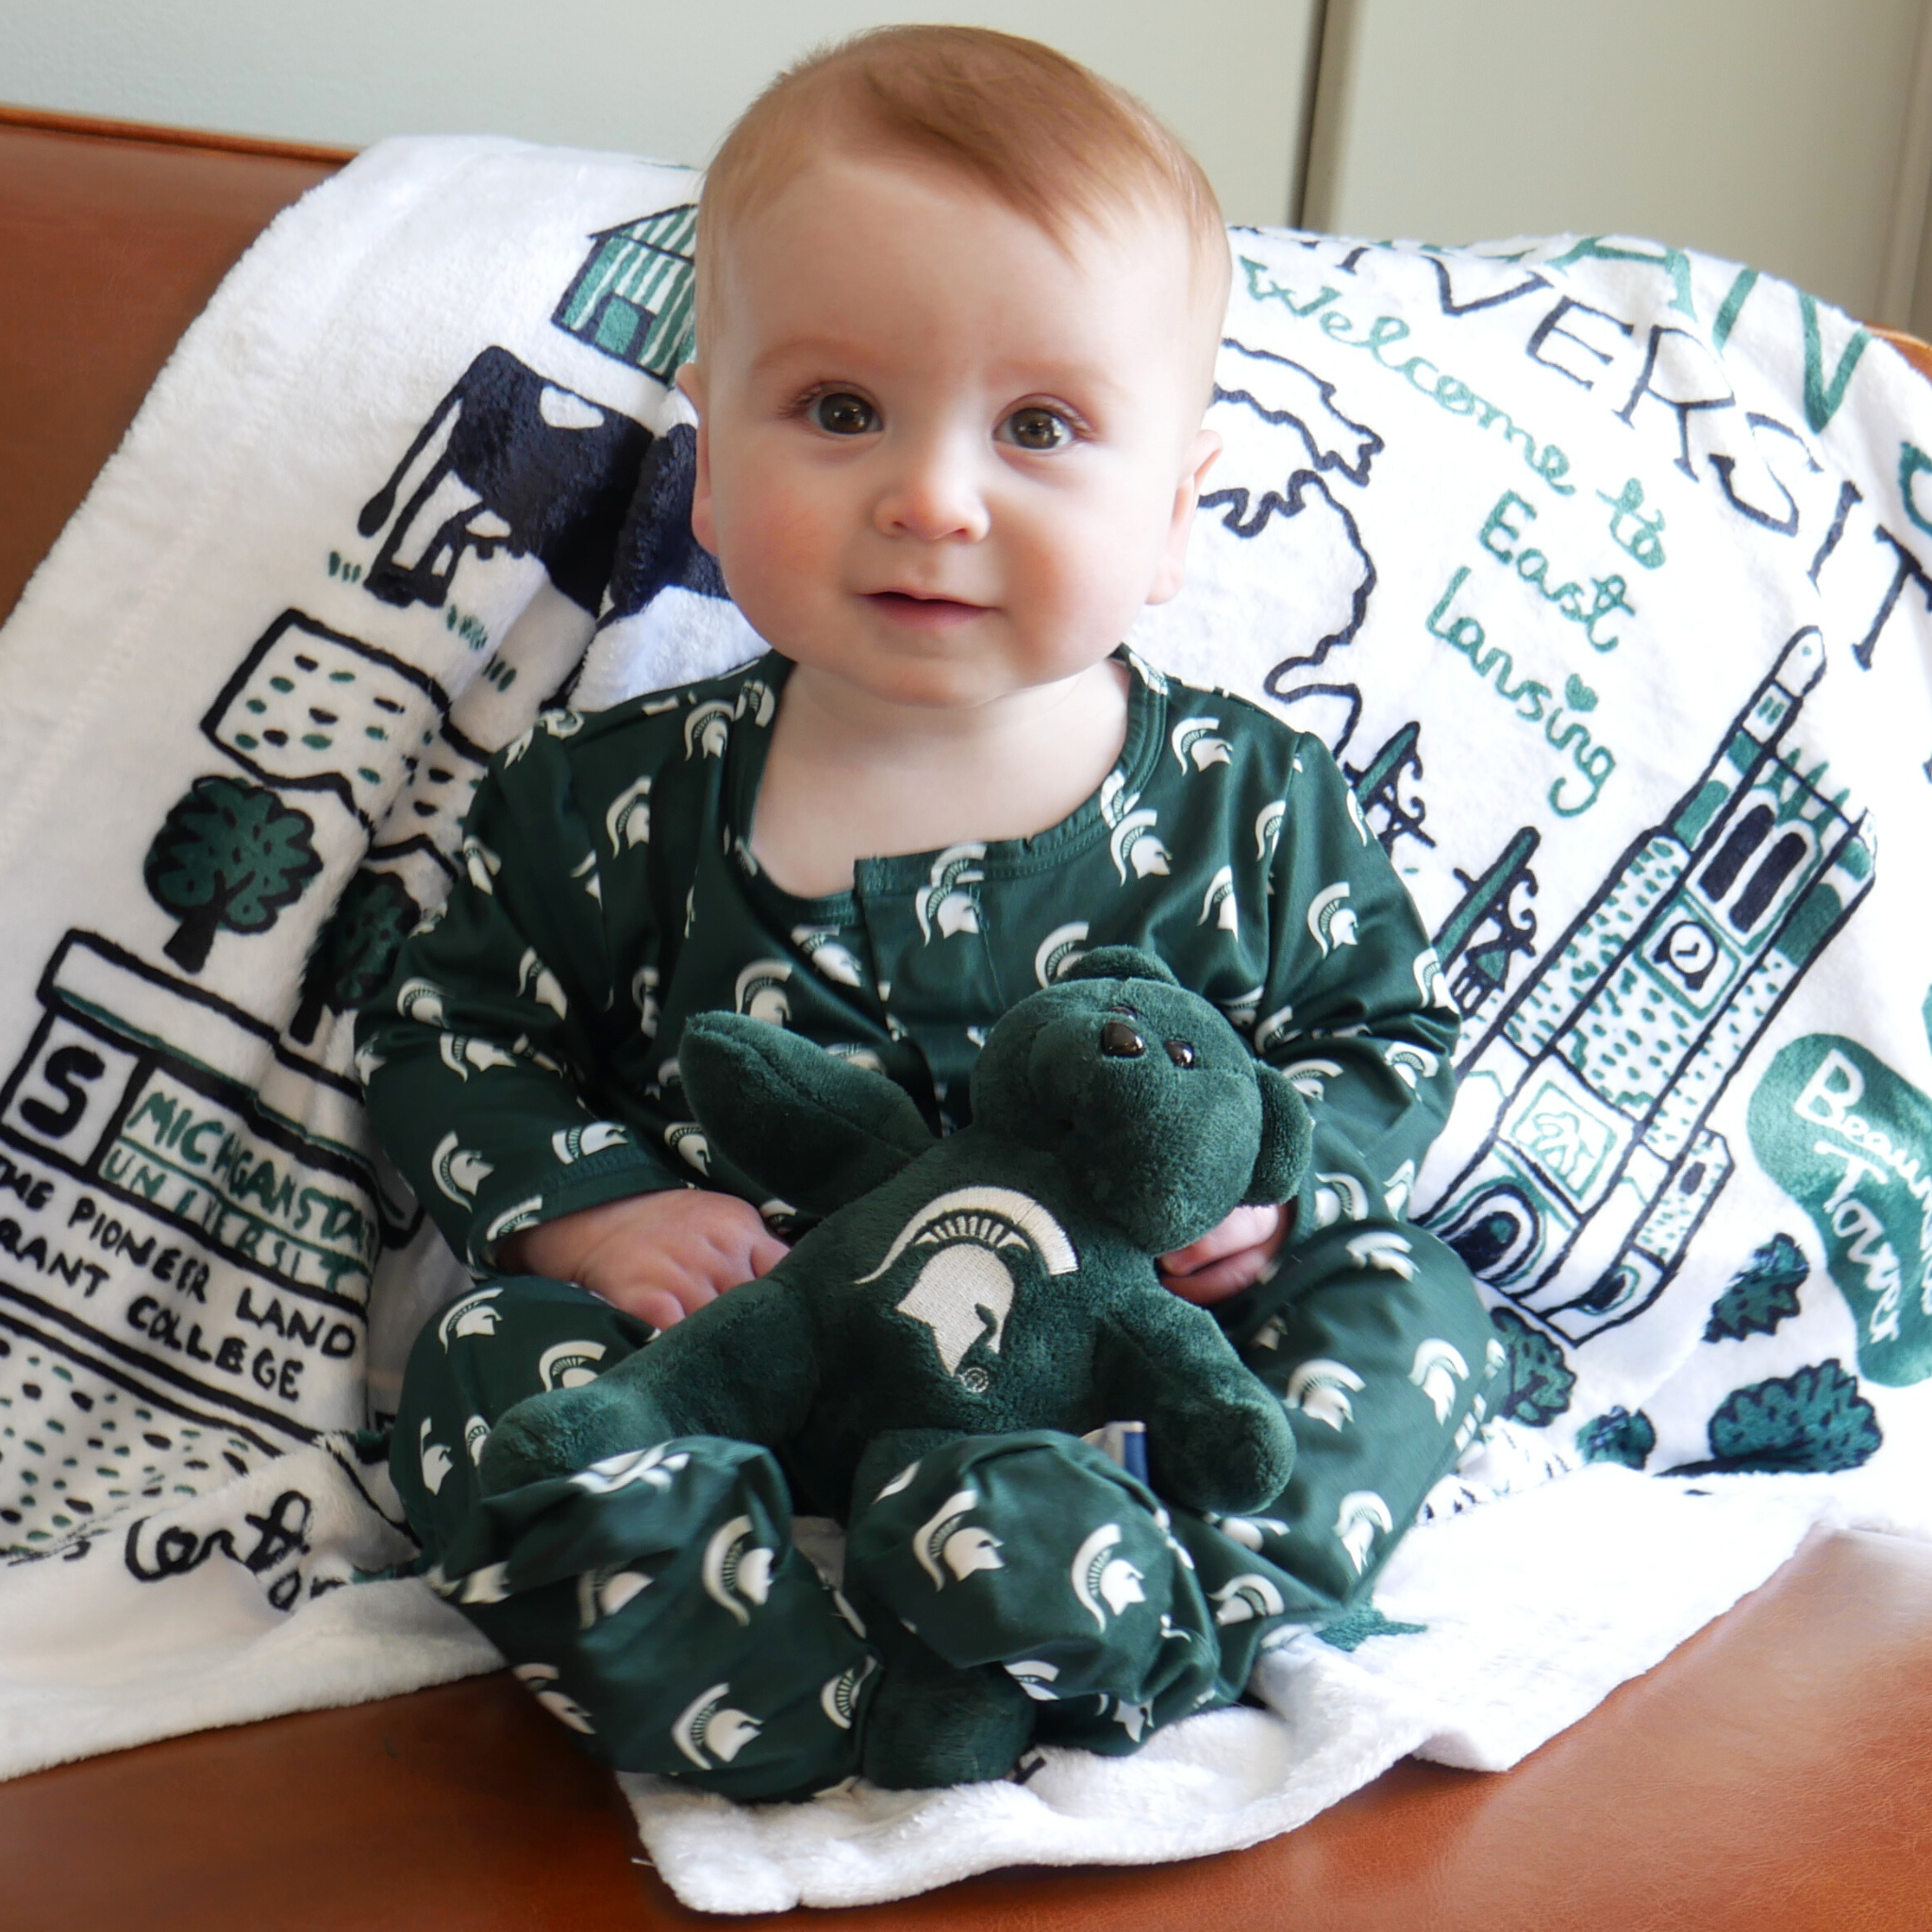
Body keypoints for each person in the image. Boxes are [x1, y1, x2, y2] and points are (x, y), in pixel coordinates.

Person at [357, 25, 1493, 1801]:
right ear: (715, 475)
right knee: (492, 1359)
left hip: (1138, 1366)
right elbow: (448, 1029)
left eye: (1039, 426)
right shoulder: (606, 794)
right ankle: (766, 1682)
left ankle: (1163, 1609)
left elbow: (1388, 1038)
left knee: (1413, 1302)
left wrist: (1278, 1178)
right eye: (838, 411)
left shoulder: (1254, 804)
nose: (933, 496)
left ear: (1176, 507)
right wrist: (599, 1215)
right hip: (752, 1357)